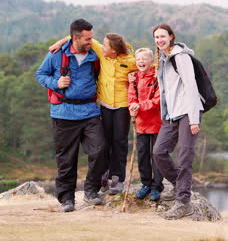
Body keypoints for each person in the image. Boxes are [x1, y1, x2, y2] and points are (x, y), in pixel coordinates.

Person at [50, 33, 137, 195]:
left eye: (106, 46)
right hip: (104, 104)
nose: (101, 47)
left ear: (114, 50)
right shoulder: (102, 54)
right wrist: (59, 41)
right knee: (104, 141)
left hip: (123, 106)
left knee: (119, 141)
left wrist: (136, 76)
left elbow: (149, 68)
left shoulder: (130, 61)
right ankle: (103, 175)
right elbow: (79, 38)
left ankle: (117, 177)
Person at [35, 19, 107, 212]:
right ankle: (67, 199)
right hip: (63, 113)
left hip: (90, 111)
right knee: (66, 159)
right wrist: (56, 83)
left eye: (91, 38)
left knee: (99, 150)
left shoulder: (95, 54)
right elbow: (40, 74)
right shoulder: (56, 55)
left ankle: (91, 191)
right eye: (87, 38)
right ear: (76, 38)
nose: (91, 41)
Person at [152, 23, 203, 220]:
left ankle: (183, 203)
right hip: (171, 115)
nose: (159, 40)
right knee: (158, 152)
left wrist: (194, 119)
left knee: (184, 157)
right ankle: (180, 186)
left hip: (187, 113)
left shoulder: (180, 57)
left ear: (171, 36)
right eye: (156, 38)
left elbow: (191, 86)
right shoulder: (163, 59)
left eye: (163, 36)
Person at [128, 48, 164, 201]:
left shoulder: (157, 77)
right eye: (139, 59)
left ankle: (157, 186)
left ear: (152, 61)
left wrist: (141, 105)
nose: (141, 61)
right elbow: (131, 96)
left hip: (156, 122)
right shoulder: (134, 78)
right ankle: (146, 184)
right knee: (142, 155)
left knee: (156, 155)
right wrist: (132, 107)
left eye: (144, 59)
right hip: (141, 123)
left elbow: (158, 100)